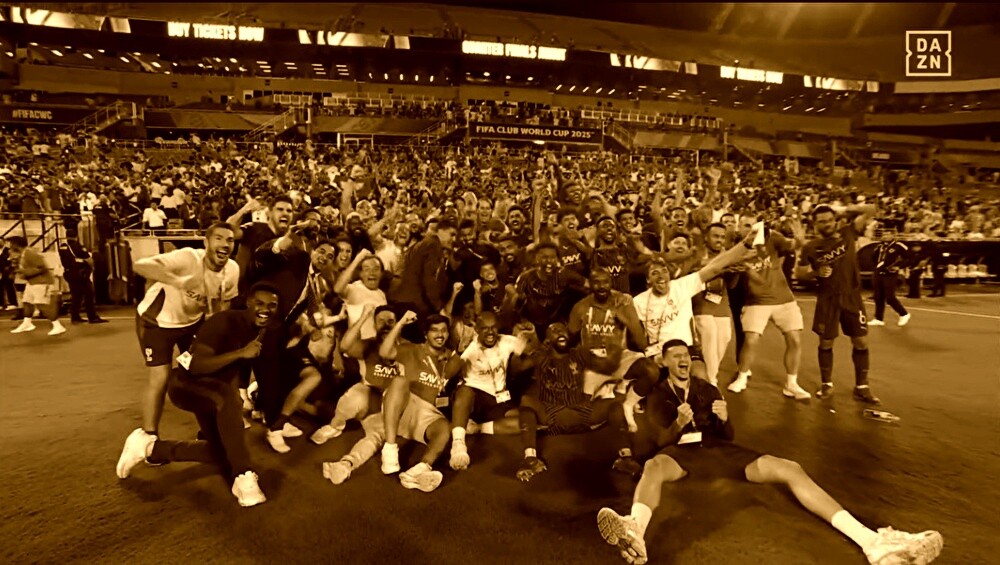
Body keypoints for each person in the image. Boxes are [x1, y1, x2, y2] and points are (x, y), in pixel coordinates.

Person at [596, 340, 944, 565]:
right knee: (655, 466)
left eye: (686, 355)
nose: (683, 359)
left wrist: (725, 419)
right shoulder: (658, 394)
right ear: (665, 362)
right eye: (676, 356)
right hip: (681, 454)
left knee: (789, 468)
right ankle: (635, 529)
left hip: (719, 449)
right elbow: (656, 443)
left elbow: (729, 436)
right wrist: (677, 424)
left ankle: (872, 543)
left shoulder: (706, 388)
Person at [115, 282, 280, 508]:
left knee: (224, 452)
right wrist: (241, 353)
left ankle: (150, 448)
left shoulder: (264, 330)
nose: (265, 309)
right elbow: (196, 366)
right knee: (228, 400)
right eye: (260, 303)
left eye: (272, 305)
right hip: (185, 385)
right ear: (248, 302)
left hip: (214, 392)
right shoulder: (225, 321)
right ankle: (243, 476)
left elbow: (234, 373)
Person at [128, 223, 239, 439]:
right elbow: (140, 265)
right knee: (160, 377)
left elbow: (223, 306)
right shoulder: (188, 258)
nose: (225, 244)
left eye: (230, 240)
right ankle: (149, 439)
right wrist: (177, 280)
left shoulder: (232, 270)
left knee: (200, 372)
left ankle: (208, 432)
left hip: (191, 324)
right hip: (156, 323)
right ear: (206, 242)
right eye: (218, 238)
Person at [513, 323, 627, 482]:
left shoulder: (579, 353)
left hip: (581, 414)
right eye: (555, 331)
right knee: (526, 401)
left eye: (563, 330)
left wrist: (616, 345)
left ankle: (626, 457)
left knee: (614, 405)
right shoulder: (541, 356)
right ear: (547, 339)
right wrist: (518, 350)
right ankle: (530, 459)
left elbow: (608, 366)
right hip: (553, 416)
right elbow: (516, 369)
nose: (560, 333)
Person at [801, 205, 880, 404]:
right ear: (815, 224)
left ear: (835, 219)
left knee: (861, 342)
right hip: (827, 299)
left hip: (852, 297)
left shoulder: (848, 233)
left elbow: (871, 209)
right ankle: (826, 384)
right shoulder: (811, 246)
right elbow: (798, 273)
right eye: (822, 221)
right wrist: (816, 273)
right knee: (826, 342)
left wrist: (843, 209)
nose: (827, 224)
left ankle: (862, 387)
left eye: (830, 220)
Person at [726, 217, 811, 400]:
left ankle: (792, 384)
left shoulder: (772, 237)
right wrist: (745, 266)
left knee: (794, 339)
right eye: (746, 226)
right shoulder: (736, 250)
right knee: (751, 340)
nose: (752, 229)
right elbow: (756, 281)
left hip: (784, 299)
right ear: (739, 228)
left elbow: (794, 245)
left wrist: (798, 236)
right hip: (757, 301)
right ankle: (742, 377)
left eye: (753, 225)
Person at [380, 312, 463, 492]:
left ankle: (420, 470)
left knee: (444, 428)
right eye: (434, 330)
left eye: (444, 330)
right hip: (403, 405)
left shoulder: (454, 360)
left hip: (427, 413)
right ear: (425, 334)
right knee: (400, 381)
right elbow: (384, 352)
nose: (440, 335)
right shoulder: (411, 349)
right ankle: (390, 449)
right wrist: (400, 322)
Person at [448, 311, 528, 471]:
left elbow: (531, 350)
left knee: (526, 421)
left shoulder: (507, 341)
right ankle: (458, 445)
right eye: (485, 328)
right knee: (464, 391)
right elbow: (447, 373)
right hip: (474, 396)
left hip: (498, 397)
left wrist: (528, 336)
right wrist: (459, 352)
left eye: (493, 327)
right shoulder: (469, 346)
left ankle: (477, 428)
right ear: (477, 329)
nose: (490, 332)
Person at [7, 236, 67, 336]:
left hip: (42, 282)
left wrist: (25, 273)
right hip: (32, 283)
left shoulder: (30, 253)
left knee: (41, 304)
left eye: (11, 244)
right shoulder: (23, 254)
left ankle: (57, 326)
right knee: (27, 302)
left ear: (16, 245)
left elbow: (42, 268)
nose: (9, 247)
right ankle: (27, 323)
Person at [57, 225, 107, 324]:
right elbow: (88, 259)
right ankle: (92, 317)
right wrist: (92, 268)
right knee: (89, 294)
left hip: (69, 273)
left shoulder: (62, 247)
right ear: (76, 236)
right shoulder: (77, 246)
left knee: (76, 295)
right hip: (80, 274)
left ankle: (75, 317)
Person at [869, 232, 911, 327]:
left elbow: (909, 258)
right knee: (878, 297)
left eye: (888, 234)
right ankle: (879, 318)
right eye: (884, 235)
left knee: (890, 297)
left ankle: (904, 314)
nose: (885, 236)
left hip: (890, 274)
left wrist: (899, 266)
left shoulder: (898, 246)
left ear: (893, 236)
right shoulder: (880, 246)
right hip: (878, 273)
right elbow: (874, 258)